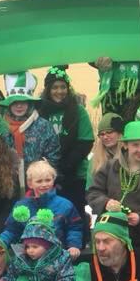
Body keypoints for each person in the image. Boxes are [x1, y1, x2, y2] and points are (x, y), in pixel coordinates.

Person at [87, 121, 140, 247]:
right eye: (135, 145)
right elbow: (93, 193)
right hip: (109, 235)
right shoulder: (109, 167)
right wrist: (105, 202)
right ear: (125, 145)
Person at [38, 67, 94, 240]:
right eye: (55, 87)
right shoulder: (39, 111)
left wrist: (65, 167)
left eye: (63, 87)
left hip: (74, 173)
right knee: (50, 216)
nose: (59, 91)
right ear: (48, 89)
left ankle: (80, 248)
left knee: (74, 213)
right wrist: (50, 169)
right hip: (46, 175)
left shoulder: (78, 111)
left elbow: (86, 141)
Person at [93, 0, 140, 119]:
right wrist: (96, 62)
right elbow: (89, 46)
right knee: (112, 134)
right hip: (110, 88)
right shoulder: (99, 17)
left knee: (139, 133)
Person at [0, 160, 83, 258]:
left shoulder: (65, 205)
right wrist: (0, 243)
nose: (44, 184)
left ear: (53, 180)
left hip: (57, 256)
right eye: (39, 181)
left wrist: (73, 246)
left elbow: (74, 228)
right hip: (29, 257)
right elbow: (12, 230)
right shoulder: (21, 206)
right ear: (30, 183)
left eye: (48, 180)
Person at [0, 72, 61, 189]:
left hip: (38, 185)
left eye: (23, 102)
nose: (19, 106)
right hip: (9, 184)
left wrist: (41, 176)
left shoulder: (43, 126)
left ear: (30, 103)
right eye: (14, 102)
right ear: (9, 105)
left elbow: (53, 155)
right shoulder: (2, 127)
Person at [88, 112, 124, 187]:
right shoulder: (94, 160)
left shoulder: (129, 155)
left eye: (109, 132)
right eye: (102, 134)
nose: (105, 137)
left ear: (119, 133)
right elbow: (90, 188)